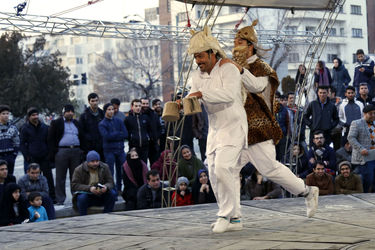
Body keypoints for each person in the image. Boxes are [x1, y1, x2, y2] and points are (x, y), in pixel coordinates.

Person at [227, 20, 319, 225]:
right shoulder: (234, 68)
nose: (234, 47)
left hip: (259, 129)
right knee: (229, 169)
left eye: (238, 42)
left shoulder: (262, 68)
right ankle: (233, 216)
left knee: (270, 169)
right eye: (234, 42)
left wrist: (239, 71)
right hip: (238, 130)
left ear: (250, 45)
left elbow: (256, 86)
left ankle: (307, 191)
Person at [186, 25, 248, 233]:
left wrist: (200, 95)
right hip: (214, 130)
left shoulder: (229, 69)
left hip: (234, 126)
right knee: (213, 171)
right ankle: (236, 218)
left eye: (201, 56)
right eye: (195, 58)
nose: (198, 61)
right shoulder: (197, 75)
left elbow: (229, 95)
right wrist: (181, 104)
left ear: (213, 54)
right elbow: (193, 98)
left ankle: (225, 214)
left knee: (223, 168)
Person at [48, 104, 84, 205]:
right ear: (64, 112)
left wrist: (82, 150)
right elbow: (50, 139)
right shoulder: (56, 123)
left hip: (76, 151)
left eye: (72, 111)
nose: (70, 113)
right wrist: (54, 152)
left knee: (76, 176)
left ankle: (76, 197)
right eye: (68, 111)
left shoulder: (76, 123)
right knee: (60, 177)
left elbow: (82, 136)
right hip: (62, 151)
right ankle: (60, 199)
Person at [20, 107, 55, 202]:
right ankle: (32, 198)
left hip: (44, 157)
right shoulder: (25, 128)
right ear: (29, 117)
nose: (35, 117)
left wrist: (49, 155)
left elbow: (49, 142)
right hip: (32, 158)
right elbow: (22, 144)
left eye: (36, 115)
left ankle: (52, 197)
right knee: (32, 179)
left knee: (48, 178)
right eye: (33, 115)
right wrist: (27, 156)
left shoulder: (45, 127)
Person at [71, 151, 117, 216]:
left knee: (112, 194)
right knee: (82, 198)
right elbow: (74, 185)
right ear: (88, 162)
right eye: (92, 161)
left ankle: (107, 215)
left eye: (97, 161)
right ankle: (83, 218)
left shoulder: (104, 167)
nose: (95, 163)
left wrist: (106, 187)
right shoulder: (79, 169)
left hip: (101, 194)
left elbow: (110, 182)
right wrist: (90, 188)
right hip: (87, 194)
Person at [98, 103, 128, 191]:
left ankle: (119, 188)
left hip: (120, 150)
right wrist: (118, 134)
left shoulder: (119, 121)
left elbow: (125, 134)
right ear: (105, 111)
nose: (111, 111)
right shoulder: (102, 124)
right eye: (109, 109)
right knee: (110, 171)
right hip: (109, 151)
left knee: (122, 170)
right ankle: (112, 190)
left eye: (112, 109)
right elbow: (106, 136)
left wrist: (114, 135)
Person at [348, 104, 375, 192]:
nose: (373, 115)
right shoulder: (356, 123)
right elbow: (351, 138)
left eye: (374, 113)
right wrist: (361, 148)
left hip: (374, 154)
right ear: (364, 113)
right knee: (368, 179)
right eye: (371, 114)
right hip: (364, 157)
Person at [125, 99, 153, 163]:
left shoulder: (145, 117)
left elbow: (150, 129)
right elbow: (126, 131)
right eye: (136, 106)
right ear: (132, 107)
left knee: (144, 164)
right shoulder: (128, 119)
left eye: (139, 106)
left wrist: (148, 138)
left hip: (145, 146)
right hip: (133, 146)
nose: (138, 108)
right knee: (134, 164)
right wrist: (131, 138)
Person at [79, 93, 105, 159]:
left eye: (96, 100)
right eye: (92, 101)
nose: (95, 103)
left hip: (102, 147)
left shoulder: (103, 114)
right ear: (89, 102)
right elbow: (81, 132)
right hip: (89, 148)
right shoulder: (84, 116)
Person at [0, 105, 19, 175]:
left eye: (7, 113)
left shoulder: (13, 128)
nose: (6, 115)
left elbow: (17, 143)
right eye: (3, 114)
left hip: (10, 156)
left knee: (9, 177)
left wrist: (13, 155)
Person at [141, 97, 160, 166]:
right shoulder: (137, 115)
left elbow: (159, 127)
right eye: (143, 103)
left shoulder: (154, 114)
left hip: (153, 144)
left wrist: (156, 137)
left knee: (155, 165)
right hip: (142, 145)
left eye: (147, 104)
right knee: (143, 166)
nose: (145, 105)